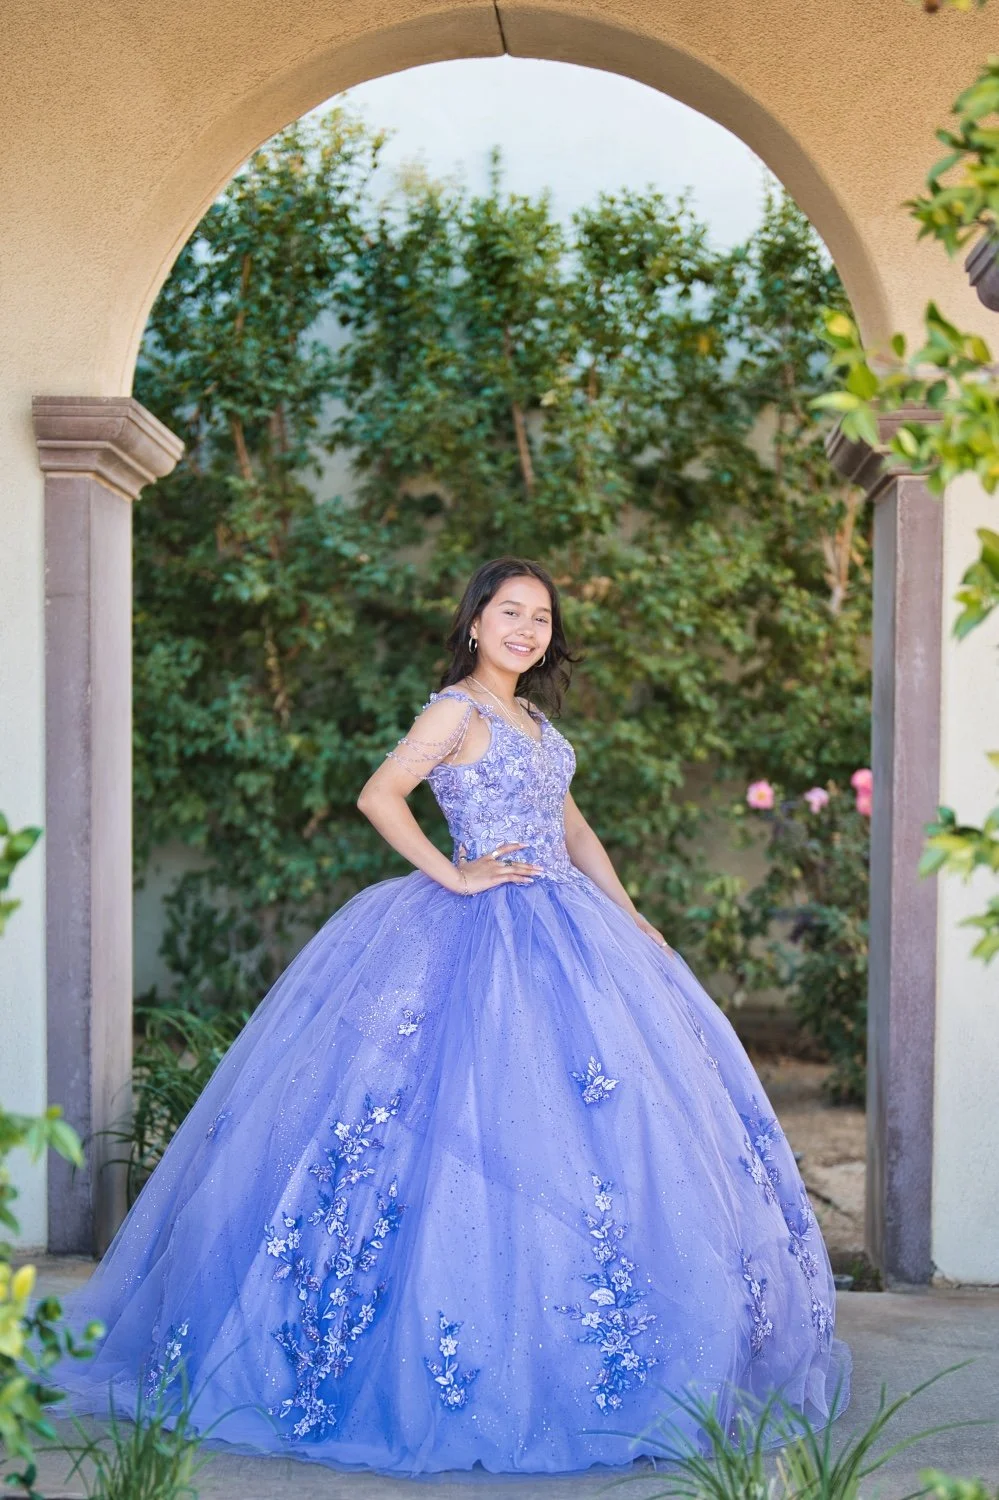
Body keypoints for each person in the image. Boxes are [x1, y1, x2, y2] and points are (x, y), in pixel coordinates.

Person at [52, 555, 851, 1478]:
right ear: (474, 622)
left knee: (596, 1130)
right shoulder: (455, 709)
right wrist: (455, 873)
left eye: (540, 617)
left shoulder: (536, 721)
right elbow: (378, 795)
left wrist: (629, 915)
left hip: (572, 932)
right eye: (508, 612)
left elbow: (572, 827)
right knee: (456, 1130)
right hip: (477, 933)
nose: (525, 628)